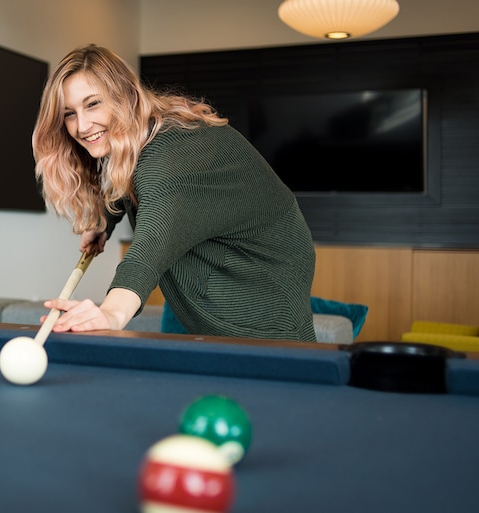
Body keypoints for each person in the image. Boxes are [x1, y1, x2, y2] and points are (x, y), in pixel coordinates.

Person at [32, 44, 317, 341]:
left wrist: (111, 314)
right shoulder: (143, 132)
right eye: (69, 114)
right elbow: (128, 178)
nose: (82, 126)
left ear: (126, 95)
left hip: (261, 295)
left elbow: (149, 248)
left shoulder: (171, 156)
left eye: (92, 104)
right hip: (232, 288)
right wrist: (104, 221)